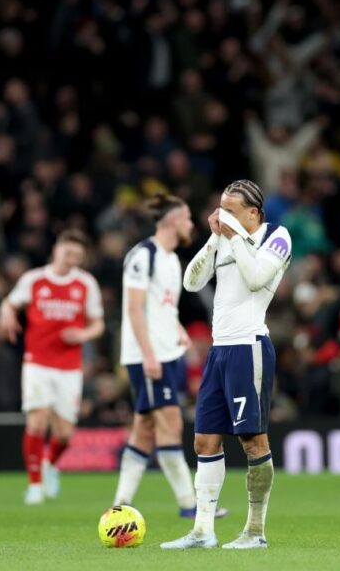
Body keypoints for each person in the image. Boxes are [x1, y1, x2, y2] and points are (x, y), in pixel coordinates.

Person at [162, 179, 292, 550]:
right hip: (219, 351)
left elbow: (254, 279)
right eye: (220, 209)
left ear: (254, 213)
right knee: (204, 440)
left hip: (248, 346)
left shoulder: (277, 237)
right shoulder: (224, 238)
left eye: (232, 211)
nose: (222, 217)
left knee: (252, 441)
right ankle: (203, 531)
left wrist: (232, 236)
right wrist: (215, 239)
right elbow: (191, 283)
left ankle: (255, 531)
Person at [111, 194, 228, 520]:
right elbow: (133, 308)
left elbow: (161, 306)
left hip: (166, 352)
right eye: (189, 218)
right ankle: (190, 503)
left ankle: (120, 502)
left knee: (145, 429)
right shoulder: (142, 255)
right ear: (174, 221)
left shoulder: (171, 260)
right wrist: (148, 354)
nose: (191, 224)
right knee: (170, 425)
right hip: (148, 356)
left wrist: (178, 329)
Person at [0, 229, 104, 505]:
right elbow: (9, 303)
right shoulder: (34, 279)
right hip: (38, 362)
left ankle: (50, 465)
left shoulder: (85, 284)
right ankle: (34, 485)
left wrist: (82, 335)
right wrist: (7, 315)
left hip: (69, 366)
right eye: (68, 253)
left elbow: (98, 324)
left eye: (77, 256)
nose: (72, 259)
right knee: (37, 421)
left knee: (65, 434)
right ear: (56, 249)